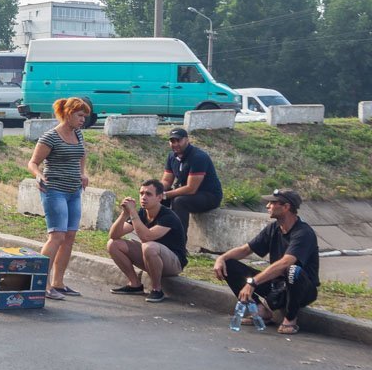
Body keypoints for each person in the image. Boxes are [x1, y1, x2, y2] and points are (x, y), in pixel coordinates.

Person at [212, 188, 319, 336]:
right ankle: (260, 311)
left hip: (300, 289)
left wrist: (253, 282)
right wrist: (221, 258)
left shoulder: (303, 233)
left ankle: (290, 318)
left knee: (292, 270)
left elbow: (286, 263)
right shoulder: (274, 228)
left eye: (272, 203)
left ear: (286, 207)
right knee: (229, 264)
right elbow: (245, 250)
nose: (267, 206)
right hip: (277, 286)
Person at [27, 96, 90, 300]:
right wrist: (38, 175)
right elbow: (33, 162)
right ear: (68, 114)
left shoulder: (78, 134)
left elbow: (81, 154)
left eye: (84, 117)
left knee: (69, 237)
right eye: (80, 116)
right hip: (54, 190)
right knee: (57, 236)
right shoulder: (50, 137)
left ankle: (58, 283)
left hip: (74, 191)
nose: (83, 120)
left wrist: (82, 173)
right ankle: (42, 284)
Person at [106, 179, 187, 303]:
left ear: (159, 197)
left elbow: (146, 237)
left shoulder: (168, 216)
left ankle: (157, 289)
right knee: (113, 244)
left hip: (173, 262)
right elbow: (114, 235)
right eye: (141, 193)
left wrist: (132, 212)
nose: (143, 197)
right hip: (151, 256)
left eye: (148, 194)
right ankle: (135, 284)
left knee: (149, 246)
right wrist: (124, 214)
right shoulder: (142, 213)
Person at [161, 128, 223, 232]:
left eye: (178, 140)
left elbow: (191, 188)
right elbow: (167, 181)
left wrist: (165, 194)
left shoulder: (198, 157)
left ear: (187, 140)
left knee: (179, 201)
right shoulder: (172, 156)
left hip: (209, 195)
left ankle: (179, 241)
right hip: (189, 193)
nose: (175, 144)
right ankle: (157, 235)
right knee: (153, 197)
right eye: (172, 141)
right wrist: (155, 190)